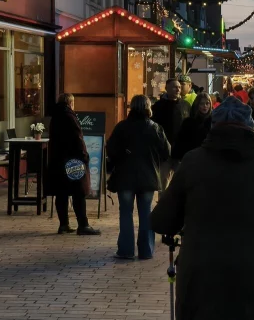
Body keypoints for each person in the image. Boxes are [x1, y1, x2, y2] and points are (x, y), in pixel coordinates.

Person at [150, 96, 254, 319]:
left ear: (212, 127)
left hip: (201, 280)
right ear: (250, 126)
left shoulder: (193, 162)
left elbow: (161, 220)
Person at [106, 95, 170, 259]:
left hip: (125, 176)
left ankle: (126, 250)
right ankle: (146, 250)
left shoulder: (122, 127)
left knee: (126, 213)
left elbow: (111, 150)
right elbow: (166, 152)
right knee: (146, 213)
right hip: (148, 177)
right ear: (148, 107)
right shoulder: (155, 128)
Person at [49, 93, 100, 235]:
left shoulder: (55, 116)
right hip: (73, 160)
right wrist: (84, 156)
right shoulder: (69, 116)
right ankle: (83, 225)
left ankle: (63, 224)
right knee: (79, 192)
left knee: (62, 192)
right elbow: (77, 138)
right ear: (70, 102)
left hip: (58, 160)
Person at [152, 78, 191, 189]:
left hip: (181, 150)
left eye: (179, 87)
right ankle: (163, 204)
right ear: (167, 88)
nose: (178, 89)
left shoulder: (186, 105)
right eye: (174, 87)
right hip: (164, 151)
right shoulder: (158, 106)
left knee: (181, 181)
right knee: (163, 183)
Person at [172, 93, 213, 162]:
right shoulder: (189, 122)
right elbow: (181, 142)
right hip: (193, 158)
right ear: (197, 105)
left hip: (209, 158)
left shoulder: (213, 121)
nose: (205, 106)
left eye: (207, 103)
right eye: (202, 104)